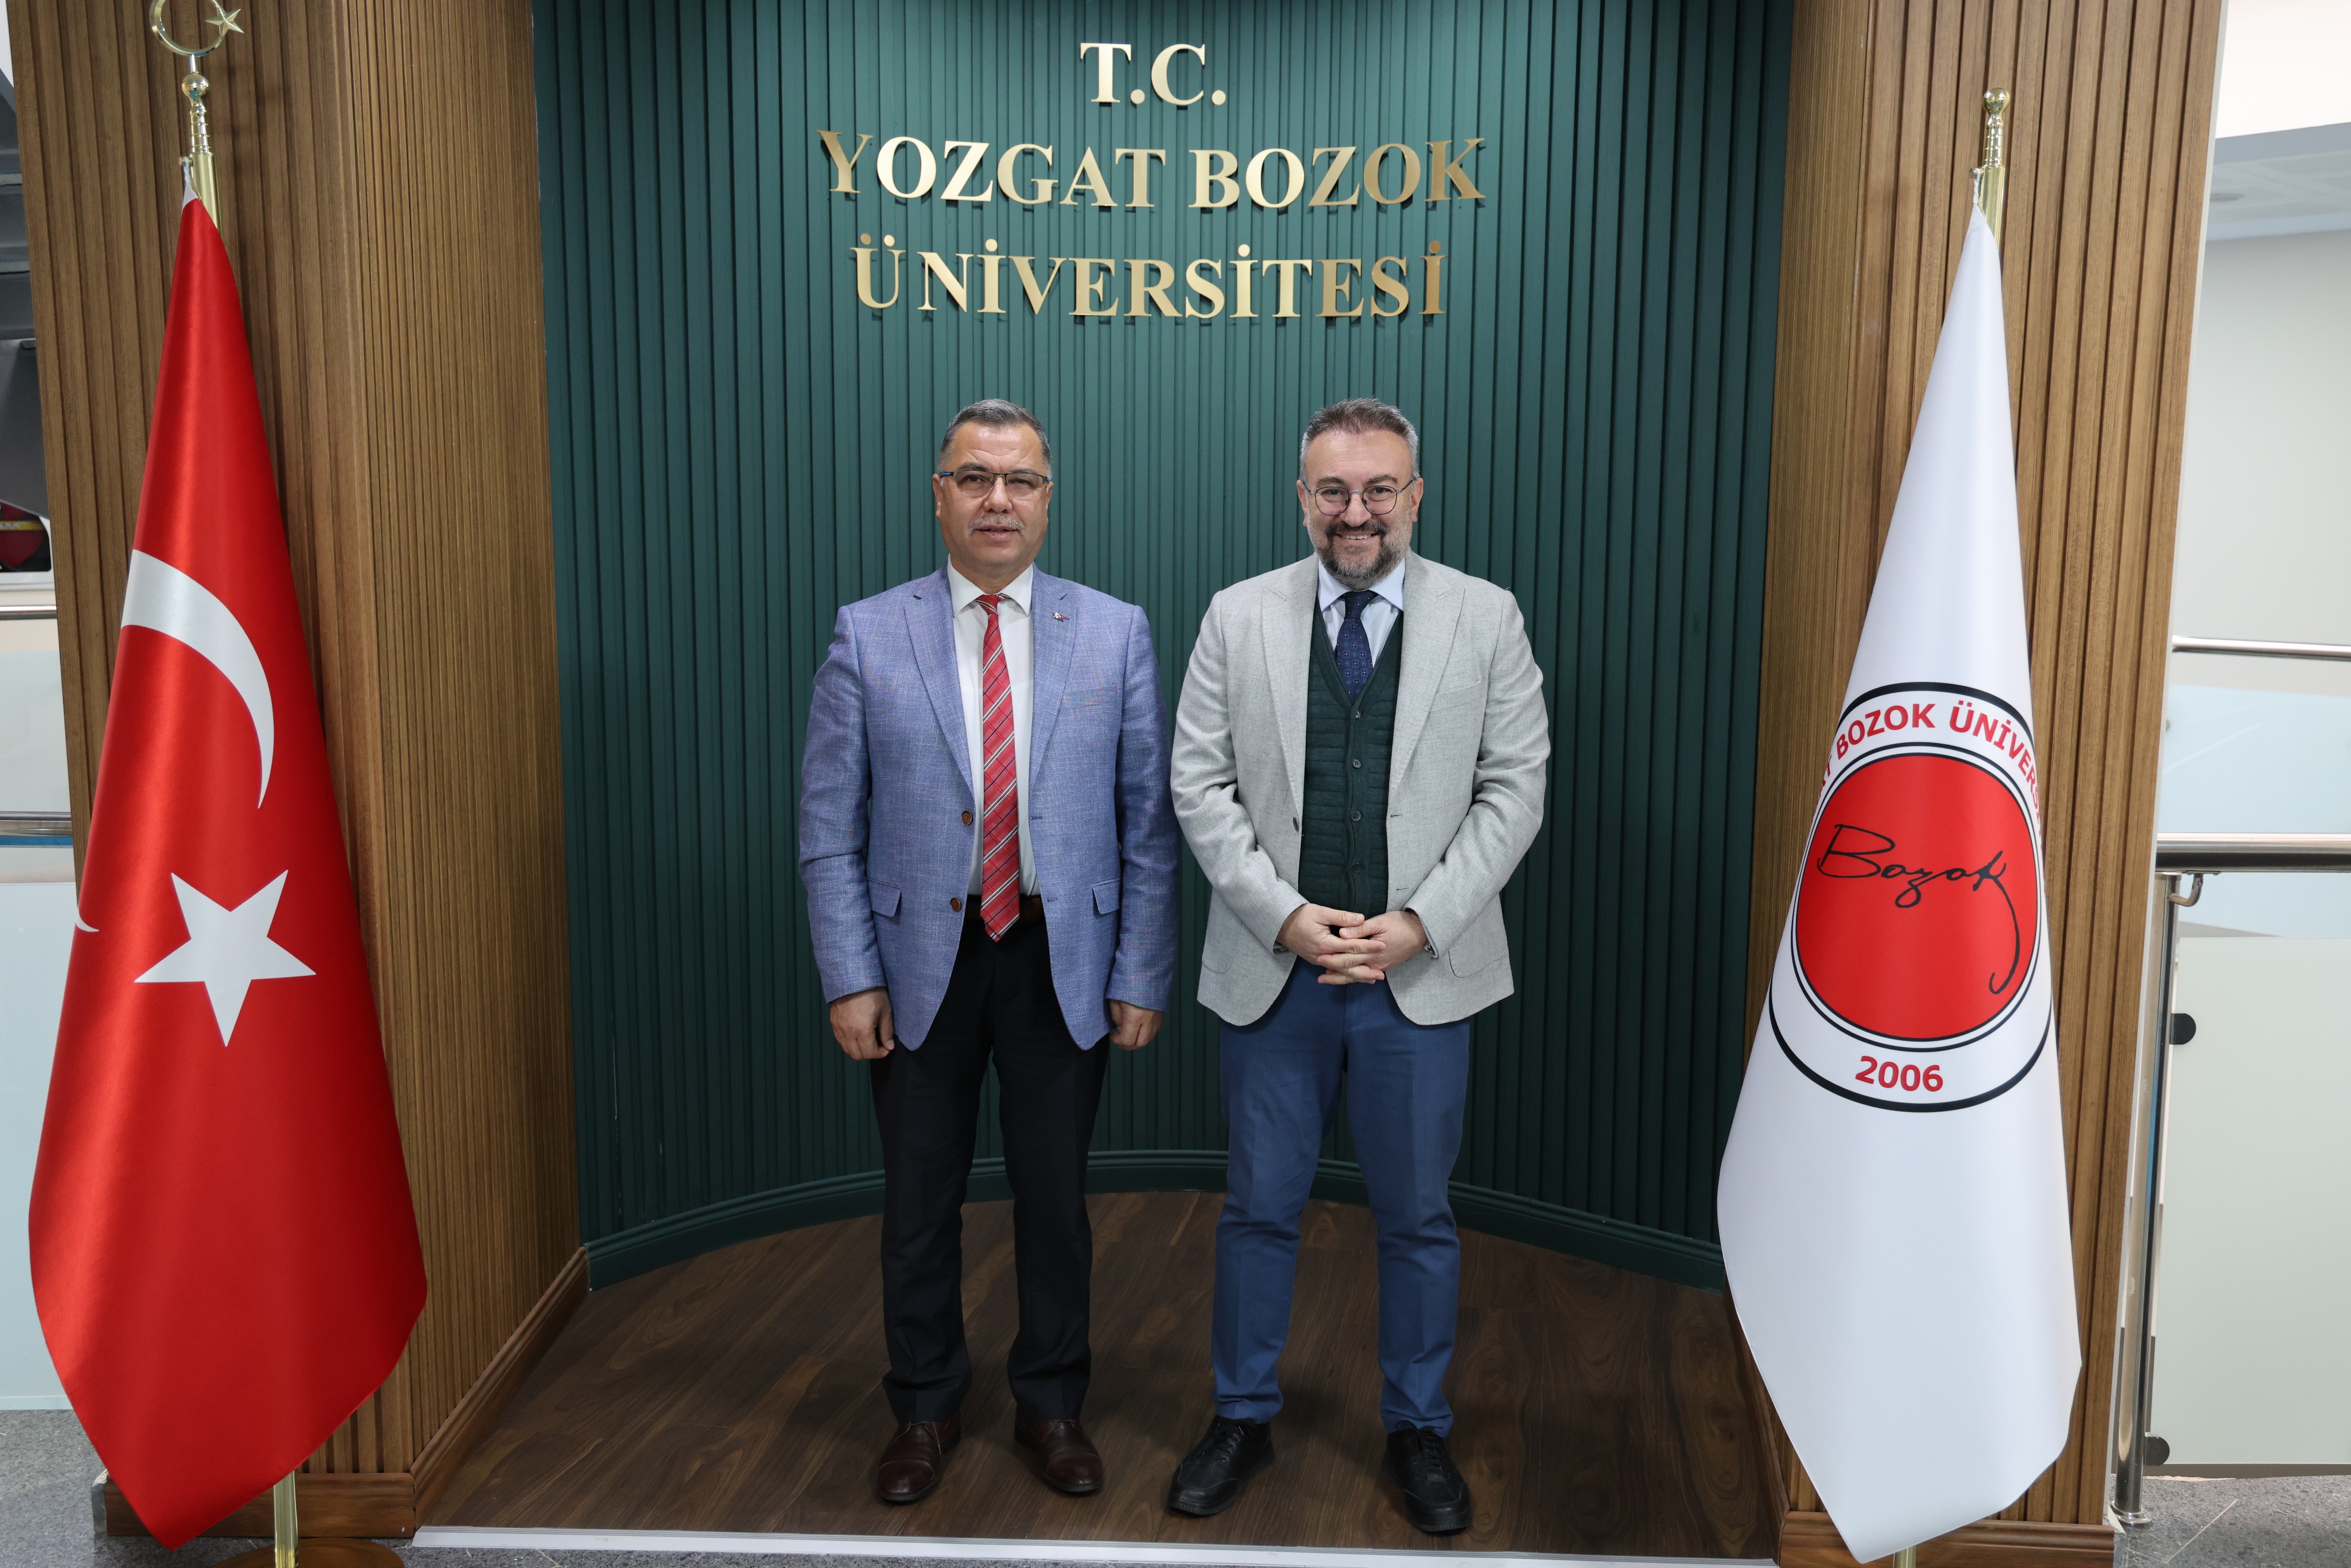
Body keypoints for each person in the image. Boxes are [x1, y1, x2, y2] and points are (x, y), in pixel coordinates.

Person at [1165, 398, 1549, 1534]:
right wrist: (1282, 916)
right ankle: (1240, 1413)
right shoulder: (1236, 616)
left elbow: (1514, 786)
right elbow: (1199, 783)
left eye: (1379, 489)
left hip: (1417, 982)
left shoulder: (1486, 616)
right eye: (1332, 490)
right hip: (1273, 976)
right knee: (1257, 1210)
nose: (1355, 512)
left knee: (1417, 1217)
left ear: (1413, 496)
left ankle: (1417, 1425)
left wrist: (1420, 921)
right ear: (1302, 497)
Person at [799, 399, 1179, 1505]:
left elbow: (1147, 824)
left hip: (1065, 960)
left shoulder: (1114, 631)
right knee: (918, 1206)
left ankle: (1052, 1403)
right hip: (921, 962)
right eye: (974, 478)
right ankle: (923, 1406)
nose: (997, 499)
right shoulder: (868, 632)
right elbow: (828, 827)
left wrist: (1140, 970)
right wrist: (851, 976)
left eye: (1020, 480)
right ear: (940, 496)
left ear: (1049, 499)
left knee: (1056, 1203)